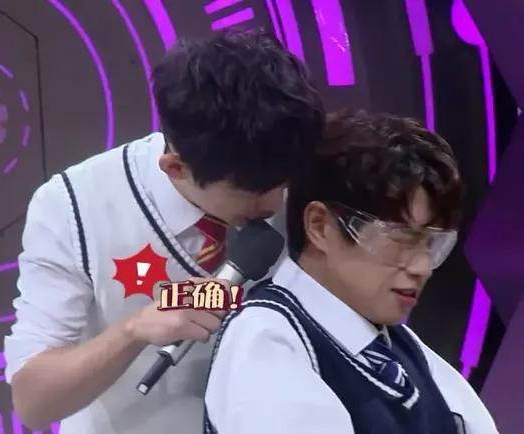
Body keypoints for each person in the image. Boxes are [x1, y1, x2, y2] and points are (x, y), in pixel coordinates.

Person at [4, 29, 325, 434]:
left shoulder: (293, 170)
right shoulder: (71, 206)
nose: (276, 205)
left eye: (283, 184)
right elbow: (34, 403)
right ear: (176, 168)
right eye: (254, 192)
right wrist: (134, 330)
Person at [204, 110, 499, 434]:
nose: (422, 267)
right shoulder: (267, 341)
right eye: (401, 238)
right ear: (320, 226)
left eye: (433, 244)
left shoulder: (400, 345)